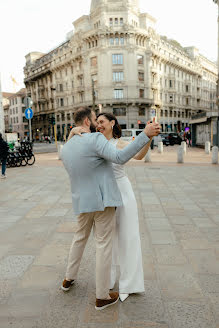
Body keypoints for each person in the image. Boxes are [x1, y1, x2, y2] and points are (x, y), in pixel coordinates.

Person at [61, 107, 160, 310]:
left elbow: (134, 155)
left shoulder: (68, 146)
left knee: (81, 238)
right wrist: (145, 134)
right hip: (103, 199)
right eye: (95, 120)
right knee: (104, 245)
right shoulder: (95, 140)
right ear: (88, 122)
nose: (98, 123)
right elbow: (121, 157)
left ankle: (68, 279)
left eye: (102, 121)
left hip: (84, 200)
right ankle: (102, 295)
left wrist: (71, 132)